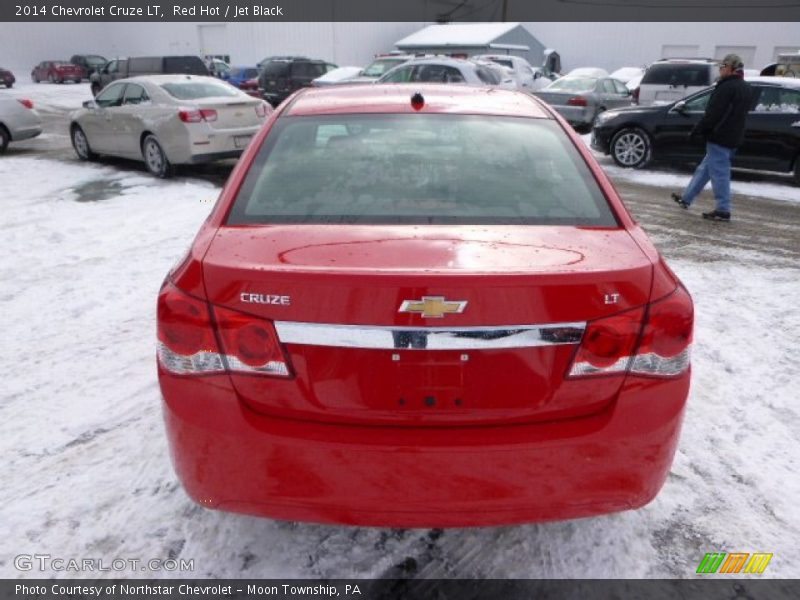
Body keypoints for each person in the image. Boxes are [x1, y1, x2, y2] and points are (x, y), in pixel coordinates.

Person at [671, 54, 751, 221]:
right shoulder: (744, 87)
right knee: (705, 169)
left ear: (730, 68)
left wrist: (698, 130)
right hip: (733, 136)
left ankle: (723, 209)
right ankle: (686, 198)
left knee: (720, 173)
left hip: (720, 137)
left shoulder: (726, 87)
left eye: (722, 67)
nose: (720, 70)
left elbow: (714, 113)